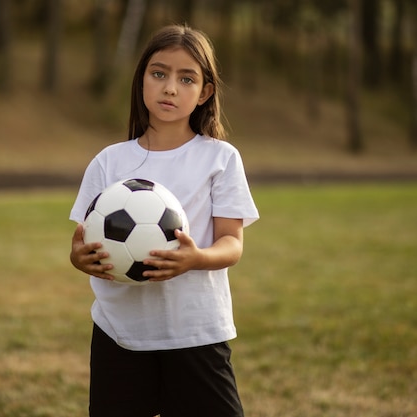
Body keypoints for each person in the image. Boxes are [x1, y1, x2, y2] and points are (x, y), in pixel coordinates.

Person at [69, 24, 259, 417]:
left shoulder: (220, 159)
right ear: (142, 81)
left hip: (196, 331)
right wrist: (80, 259)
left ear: (205, 91)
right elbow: (81, 242)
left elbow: (232, 244)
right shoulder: (110, 161)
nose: (170, 87)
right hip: (119, 332)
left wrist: (195, 259)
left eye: (186, 78)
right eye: (159, 74)